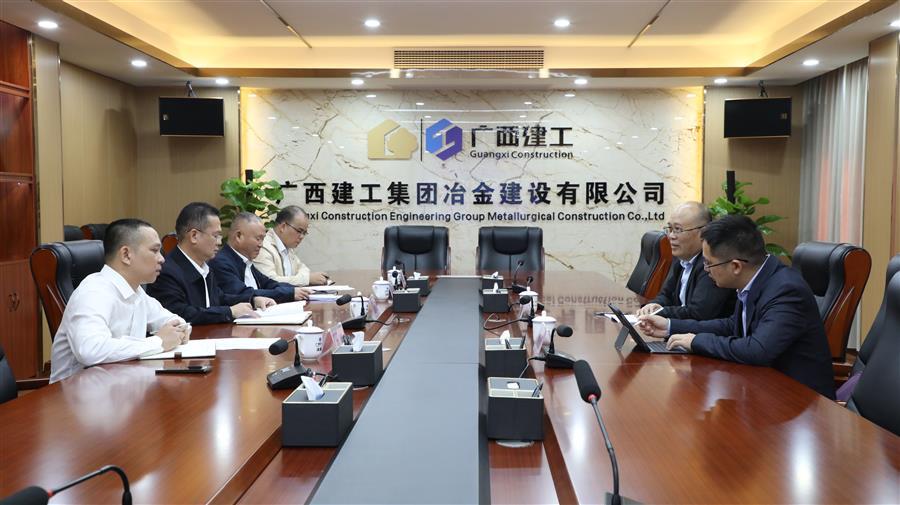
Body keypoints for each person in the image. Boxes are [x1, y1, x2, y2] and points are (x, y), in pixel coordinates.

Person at [637, 215, 835, 399]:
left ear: (736, 266)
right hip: (763, 388)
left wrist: (697, 341)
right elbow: (733, 325)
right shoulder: (756, 278)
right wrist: (670, 326)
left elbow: (758, 349)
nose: (706, 270)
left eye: (709, 263)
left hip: (799, 401)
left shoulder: (786, 290)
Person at [50, 219, 189, 383]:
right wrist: (158, 342)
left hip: (122, 384)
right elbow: (90, 350)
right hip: (75, 392)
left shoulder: (136, 291)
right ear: (126, 255)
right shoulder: (93, 292)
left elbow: (175, 321)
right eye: (155, 251)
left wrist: (179, 331)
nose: (162, 259)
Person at [148, 202, 273, 324]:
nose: (219, 242)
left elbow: (219, 298)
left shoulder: (204, 267)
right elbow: (181, 314)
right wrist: (229, 312)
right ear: (194, 236)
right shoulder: (166, 272)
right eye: (216, 236)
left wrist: (252, 300)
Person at [636, 202, 735, 319]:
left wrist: (660, 313)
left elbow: (699, 313)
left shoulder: (712, 264)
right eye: (670, 229)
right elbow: (666, 294)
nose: (671, 236)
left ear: (703, 232)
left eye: (678, 229)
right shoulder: (682, 259)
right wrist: (655, 305)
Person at [210, 212, 311, 303]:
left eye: (263, 239)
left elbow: (269, 283)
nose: (261, 245)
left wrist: (294, 290)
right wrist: (289, 293)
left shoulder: (246, 261)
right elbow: (244, 294)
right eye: (258, 239)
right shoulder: (221, 262)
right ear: (239, 236)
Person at [253, 205, 329, 286]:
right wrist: (306, 279)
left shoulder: (287, 247)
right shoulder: (262, 247)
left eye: (304, 233)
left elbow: (303, 268)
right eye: (299, 231)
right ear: (283, 227)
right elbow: (270, 282)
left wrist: (305, 278)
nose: (302, 237)